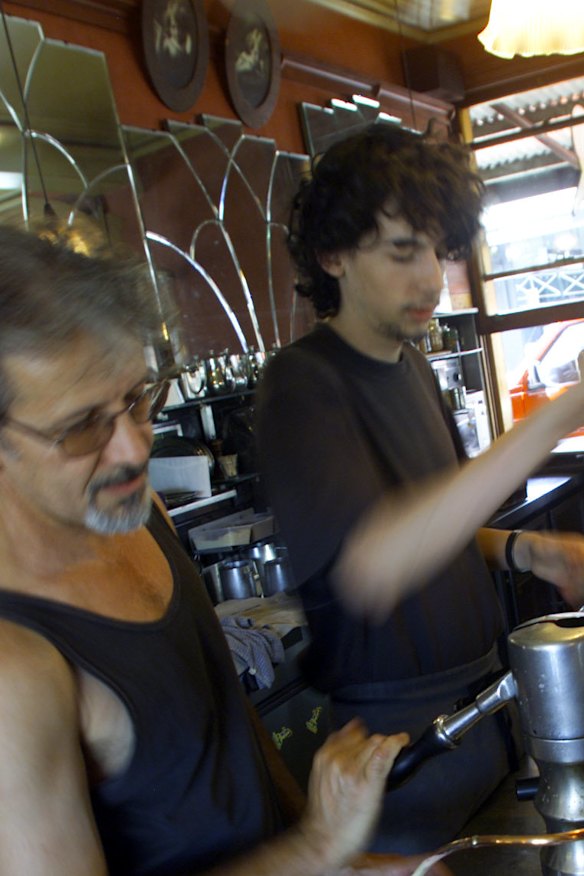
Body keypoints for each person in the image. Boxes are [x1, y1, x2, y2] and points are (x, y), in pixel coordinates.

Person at [0, 224, 448, 876]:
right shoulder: (16, 665)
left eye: (137, 400)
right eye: (81, 427)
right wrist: (318, 845)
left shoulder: (135, 515)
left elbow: (235, 731)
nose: (132, 450)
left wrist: (340, 863)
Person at [256, 122, 584, 855]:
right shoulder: (302, 385)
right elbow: (371, 567)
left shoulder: (414, 370)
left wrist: (529, 552)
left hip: (484, 718)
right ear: (332, 254)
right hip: (399, 755)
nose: (432, 277)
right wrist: (560, 413)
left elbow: (431, 527)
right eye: (403, 250)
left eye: (437, 249)